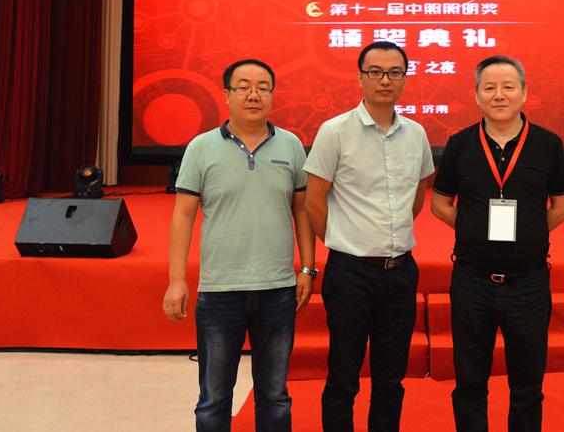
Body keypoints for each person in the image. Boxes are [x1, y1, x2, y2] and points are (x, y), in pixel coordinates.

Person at [163, 59, 316, 432]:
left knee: (275, 396)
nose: (254, 95)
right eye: (244, 86)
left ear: (272, 96)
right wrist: (176, 280)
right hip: (220, 291)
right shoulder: (201, 147)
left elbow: (302, 211)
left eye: (263, 87)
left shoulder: (291, 145)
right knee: (213, 399)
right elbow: (183, 216)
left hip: (277, 289)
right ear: (227, 94)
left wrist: (307, 268)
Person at [431, 55, 564, 431]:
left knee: (527, 385)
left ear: (524, 93)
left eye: (508, 87)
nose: (499, 95)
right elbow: (440, 204)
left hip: (528, 283)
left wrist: (529, 230)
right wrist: (474, 228)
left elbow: (562, 206)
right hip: (471, 282)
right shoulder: (460, 144)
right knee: (469, 382)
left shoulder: (547, 144)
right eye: (489, 87)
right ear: (476, 95)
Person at [304, 40, 435, 432]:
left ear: (405, 79)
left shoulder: (416, 133)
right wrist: (345, 240)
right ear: (360, 78)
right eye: (375, 72)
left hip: (400, 272)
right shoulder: (335, 131)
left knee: (390, 379)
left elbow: (417, 196)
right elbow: (314, 201)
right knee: (343, 375)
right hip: (350, 274)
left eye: (394, 73)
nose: (385, 80)